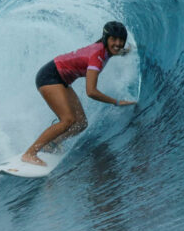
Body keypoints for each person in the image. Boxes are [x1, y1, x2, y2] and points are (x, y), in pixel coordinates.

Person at [21, 21, 136, 166]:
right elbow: (91, 92)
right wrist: (117, 102)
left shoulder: (107, 50)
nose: (118, 43)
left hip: (61, 80)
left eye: (121, 40)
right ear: (106, 38)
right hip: (49, 76)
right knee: (67, 120)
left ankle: (51, 144)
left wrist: (128, 51)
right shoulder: (97, 56)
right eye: (114, 39)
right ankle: (30, 153)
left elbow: (116, 50)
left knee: (81, 123)